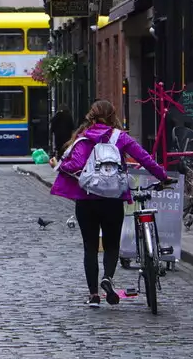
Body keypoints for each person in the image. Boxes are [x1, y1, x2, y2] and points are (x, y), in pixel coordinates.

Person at [49, 100, 169, 305]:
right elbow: (145, 158)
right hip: (114, 200)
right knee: (112, 245)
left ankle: (94, 295)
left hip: (87, 200)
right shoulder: (120, 137)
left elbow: (74, 165)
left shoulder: (83, 138)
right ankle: (108, 278)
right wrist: (163, 177)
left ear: (91, 116)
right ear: (113, 115)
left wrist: (58, 165)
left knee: (90, 247)